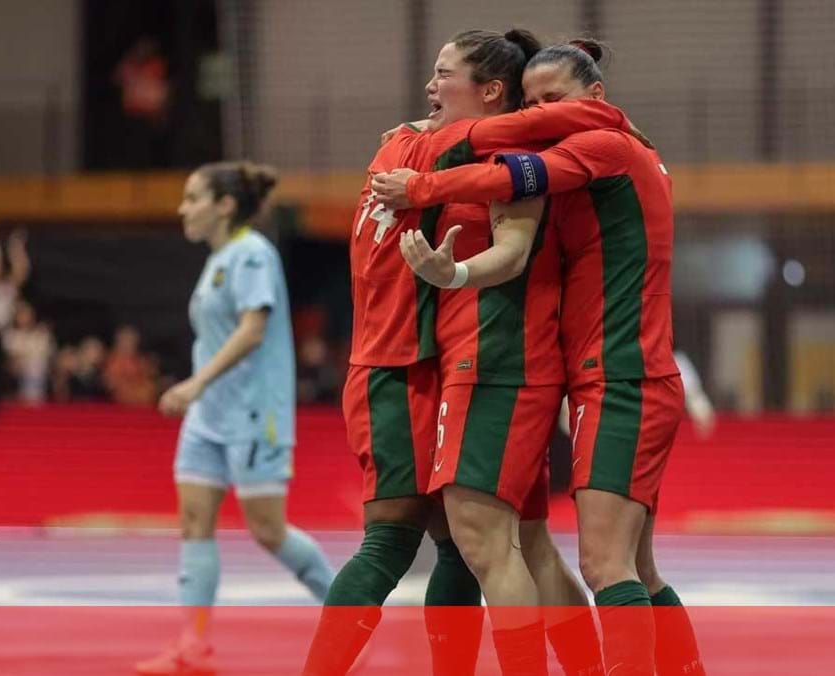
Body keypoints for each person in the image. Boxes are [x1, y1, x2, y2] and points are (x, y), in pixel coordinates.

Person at [303, 29, 634, 676]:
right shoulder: (421, 143)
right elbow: (564, 122)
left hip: (479, 363)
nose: (429, 86)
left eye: (442, 72)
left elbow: (514, 243)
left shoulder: (479, 151)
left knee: (476, 545)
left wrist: (585, 113)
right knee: (453, 543)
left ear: (486, 90)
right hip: (401, 365)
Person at [373, 41, 705, 676]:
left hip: (621, 375)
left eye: (557, 100)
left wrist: (421, 180)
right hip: (612, 373)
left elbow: (510, 175)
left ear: (597, 99)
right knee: (633, 566)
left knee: (605, 564)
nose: (543, 113)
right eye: (535, 101)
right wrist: (429, 130)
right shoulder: (623, 148)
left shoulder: (606, 145)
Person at [136, 161, 334, 675]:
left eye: (192, 198)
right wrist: (201, 394)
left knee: (268, 531)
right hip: (208, 416)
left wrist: (195, 383)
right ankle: (192, 646)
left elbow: (251, 330)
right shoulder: (219, 259)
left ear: (224, 206)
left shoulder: (251, 254)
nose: (183, 209)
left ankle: (349, 615)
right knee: (193, 522)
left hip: (253, 412)